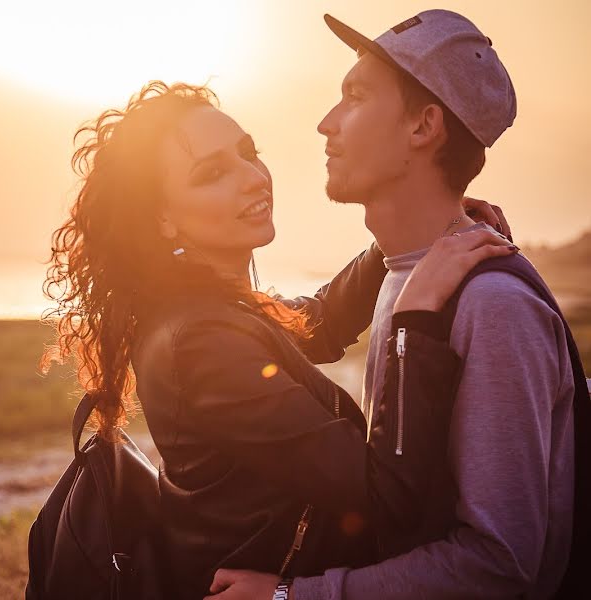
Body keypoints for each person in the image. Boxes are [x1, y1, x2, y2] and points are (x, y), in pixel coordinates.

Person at [41, 79, 516, 600]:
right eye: (212, 174)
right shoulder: (199, 342)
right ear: (163, 219)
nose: (251, 179)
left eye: (248, 154)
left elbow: (318, 322)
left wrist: (407, 237)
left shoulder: (213, 307)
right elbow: (387, 499)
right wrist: (415, 320)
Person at [207, 10, 583, 600]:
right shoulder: (407, 276)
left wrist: (291, 597)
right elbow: (308, 326)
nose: (325, 123)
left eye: (354, 97)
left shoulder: (493, 305)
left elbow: (502, 566)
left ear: (423, 127)